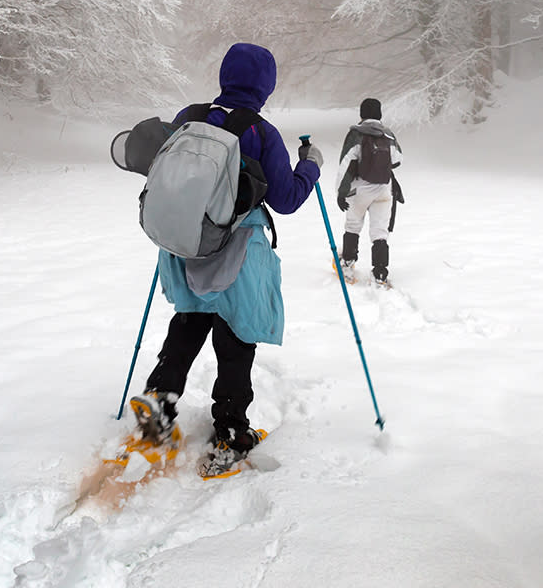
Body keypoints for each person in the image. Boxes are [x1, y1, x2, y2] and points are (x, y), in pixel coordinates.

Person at [130, 42, 322, 476]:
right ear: (265, 87)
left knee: (190, 318)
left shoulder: (189, 117)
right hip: (237, 247)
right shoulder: (260, 131)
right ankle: (231, 433)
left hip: (185, 242)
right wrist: (310, 166)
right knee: (235, 336)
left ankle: (158, 404)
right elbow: (287, 199)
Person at [335, 97, 402, 286]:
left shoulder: (356, 134)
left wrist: (340, 192)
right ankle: (380, 273)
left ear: (362, 114)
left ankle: (347, 264)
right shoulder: (388, 134)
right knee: (379, 231)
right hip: (383, 189)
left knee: (353, 225)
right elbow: (398, 159)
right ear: (379, 115)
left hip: (360, 189)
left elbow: (345, 163)